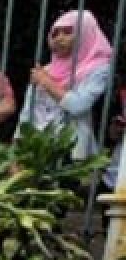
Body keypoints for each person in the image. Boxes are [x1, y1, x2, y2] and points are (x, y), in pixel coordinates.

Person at [18, 10, 114, 161]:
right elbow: (27, 113)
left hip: (73, 153)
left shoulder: (98, 69)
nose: (59, 38)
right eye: (55, 33)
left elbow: (78, 105)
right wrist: (17, 150)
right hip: (36, 152)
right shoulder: (45, 70)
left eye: (68, 31)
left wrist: (47, 83)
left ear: (85, 33)